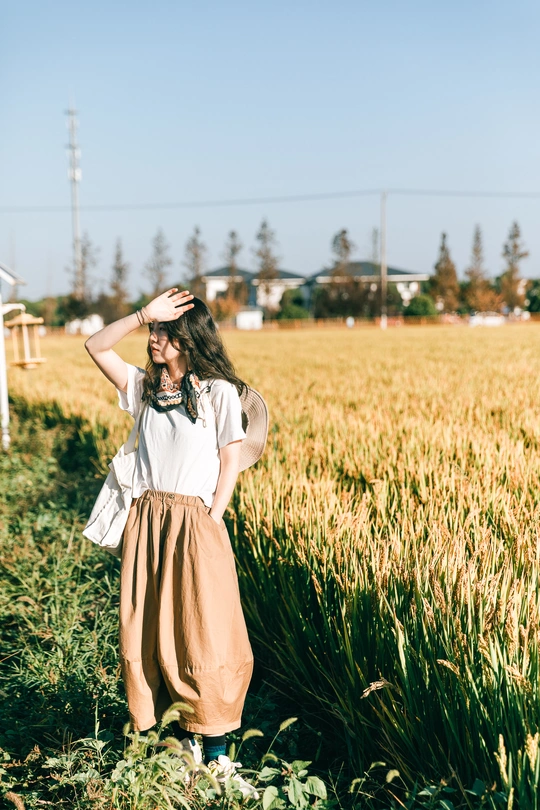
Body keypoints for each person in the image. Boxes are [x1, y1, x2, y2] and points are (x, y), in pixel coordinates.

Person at [85, 288, 258, 794]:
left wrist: (211, 516)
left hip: (195, 522)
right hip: (146, 519)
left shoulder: (219, 393)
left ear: (188, 338)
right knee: (150, 629)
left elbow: (231, 460)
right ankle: (178, 746)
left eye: (163, 331)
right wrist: (142, 314)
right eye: (155, 330)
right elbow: (96, 345)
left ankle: (220, 755)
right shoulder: (143, 388)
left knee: (206, 632)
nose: (153, 338)